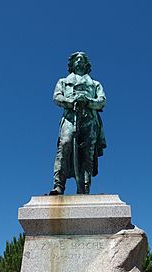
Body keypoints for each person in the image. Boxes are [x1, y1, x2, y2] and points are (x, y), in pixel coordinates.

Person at [50, 52, 106, 195]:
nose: (79, 61)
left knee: (88, 153)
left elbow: (102, 101)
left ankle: (84, 188)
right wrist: (70, 101)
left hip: (89, 118)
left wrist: (88, 101)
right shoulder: (63, 81)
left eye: (82, 60)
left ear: (87, 65)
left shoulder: (95, 84)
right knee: (65, 144)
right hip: (70, 117)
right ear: (72, 64)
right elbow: (57, 97)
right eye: (76, 59)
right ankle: (59, 185)